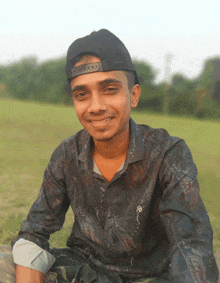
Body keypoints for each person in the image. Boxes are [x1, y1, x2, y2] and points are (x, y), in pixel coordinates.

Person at [0, 29, 219, 283]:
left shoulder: (167, 154)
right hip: (84, 271)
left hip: (150, 276)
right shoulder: (67, 155)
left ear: (133, 95)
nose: (96, 106)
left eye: (110, 89)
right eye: (82, 94)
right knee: (6, 263)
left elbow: (190, 243)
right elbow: (34, 233)